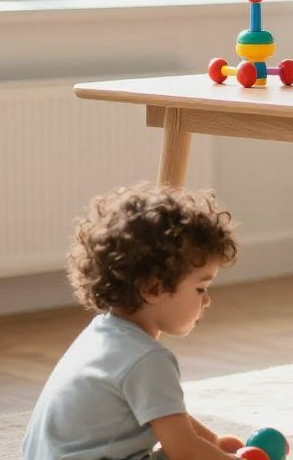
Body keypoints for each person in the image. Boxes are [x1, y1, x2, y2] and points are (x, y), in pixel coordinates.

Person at [23, 183, 242, 460]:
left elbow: (162, 411)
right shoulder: (148, 359)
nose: (207, 300)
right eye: (201, 288)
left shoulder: (100, 334)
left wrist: (213, 442)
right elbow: (184, 450)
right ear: (153, 288)